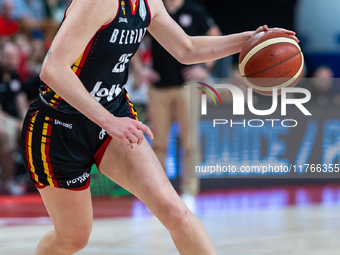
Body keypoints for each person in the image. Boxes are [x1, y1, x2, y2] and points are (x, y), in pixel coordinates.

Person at [20, 0, 297, 254]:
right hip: (57, 128)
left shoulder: (147, 3)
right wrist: (108, 121)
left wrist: (250, 40)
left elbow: (186, 49)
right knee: (74, 238)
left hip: (113, 116)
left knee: (175, 211)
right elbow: (53, 69)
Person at [133, 0, 221, 211]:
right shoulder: (154, 8)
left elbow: (215, 34)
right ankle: (159, 194)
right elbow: (133, 40)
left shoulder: (194, 10)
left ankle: (189, 191)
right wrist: (140, 69)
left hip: (186, 87)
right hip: (157, 87)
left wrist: (205, 68)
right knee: (159, 143)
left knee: (190, 142)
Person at [0, 42, 28, 195]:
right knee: (8, 134)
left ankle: (32, 179)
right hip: (2, 119)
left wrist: (26, 122)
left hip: (12, 120)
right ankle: (7, 180)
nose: (11, 60)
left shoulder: (16, 77)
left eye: (14, 57)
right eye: (8, 56)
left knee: (34, 131)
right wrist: (18, 124)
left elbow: (22, 106)